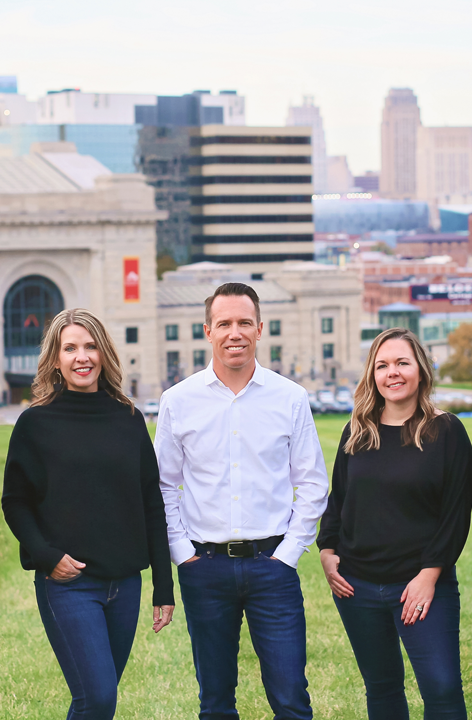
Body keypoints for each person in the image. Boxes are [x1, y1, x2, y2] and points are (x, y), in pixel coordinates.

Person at [156, 282, 329, 720]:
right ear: (208, 331)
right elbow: (162, 485)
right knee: (215, 702)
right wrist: (182, 554)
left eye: (244, 323)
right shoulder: (178, 401)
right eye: (225, 323)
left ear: (259, 329)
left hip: (273, 567)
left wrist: (289, 554)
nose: (235, 332)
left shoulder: (290, 398)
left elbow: (312, 484)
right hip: (204, 568)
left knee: (291, 698)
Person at [1, 309, 175, 720]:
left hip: (124, 587)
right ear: (56, 360)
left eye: (91, 346)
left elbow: (152, 500)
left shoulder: (128, 419)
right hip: (69, 585)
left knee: (98, 701)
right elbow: (15, 501)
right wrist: (47, 556)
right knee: (96, 699)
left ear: (104, 353)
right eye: (71, 348)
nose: (83, 357)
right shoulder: (35, 423)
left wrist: (163, 588)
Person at [318, 327, 472, 720]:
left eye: (403, 363)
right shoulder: (356, 431)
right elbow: (338, 499)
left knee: (441, 689)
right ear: (372, 374)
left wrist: (429, 576)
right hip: (358, 587)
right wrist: (326, 550)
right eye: (383, 365)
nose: (393, 373)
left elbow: (456, 515)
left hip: (422, 586)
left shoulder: (447, 431)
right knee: (382, 689)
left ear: (420, 369)